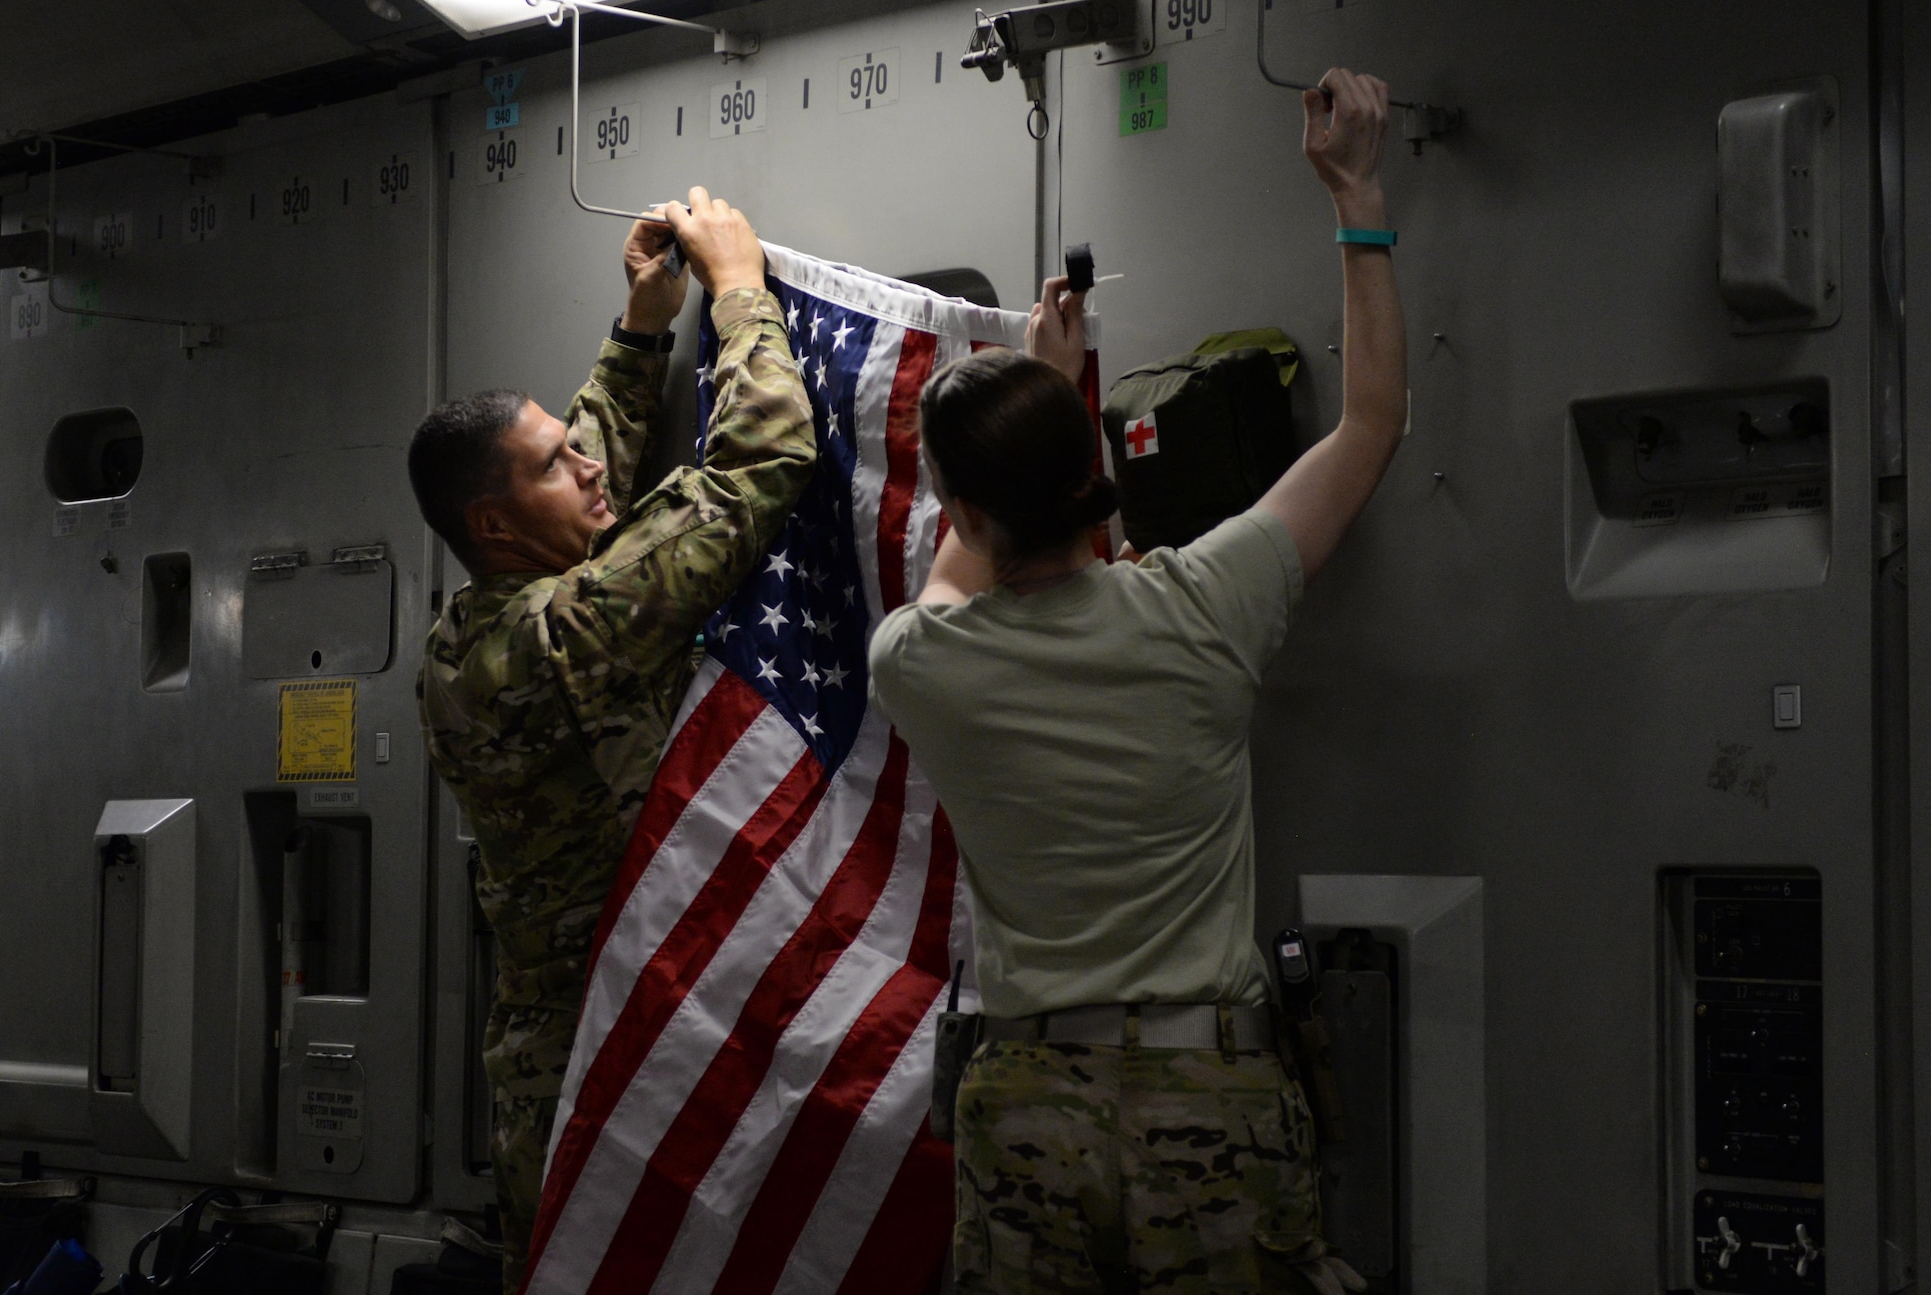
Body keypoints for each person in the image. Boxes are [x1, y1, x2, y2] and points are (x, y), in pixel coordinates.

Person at [868, 69, 1404, 1293]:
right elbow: (1369, 423)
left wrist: (1050, 387)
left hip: (1023, 1111)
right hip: (1205, 1097)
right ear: (1088, 475)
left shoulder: (922, 664)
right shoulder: (1206, 607)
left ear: (958, 508)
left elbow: (966, 567)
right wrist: (1354, 196)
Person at [410, 189, 815, 1294]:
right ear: (493, 527)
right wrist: (736, 293)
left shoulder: (468, 630)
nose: (588, 468)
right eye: (553, 466)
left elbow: (583, 457)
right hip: (610, 1050)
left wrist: (641, 326)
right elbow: (750, 474)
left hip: (581, 1031)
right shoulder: (566, 628)